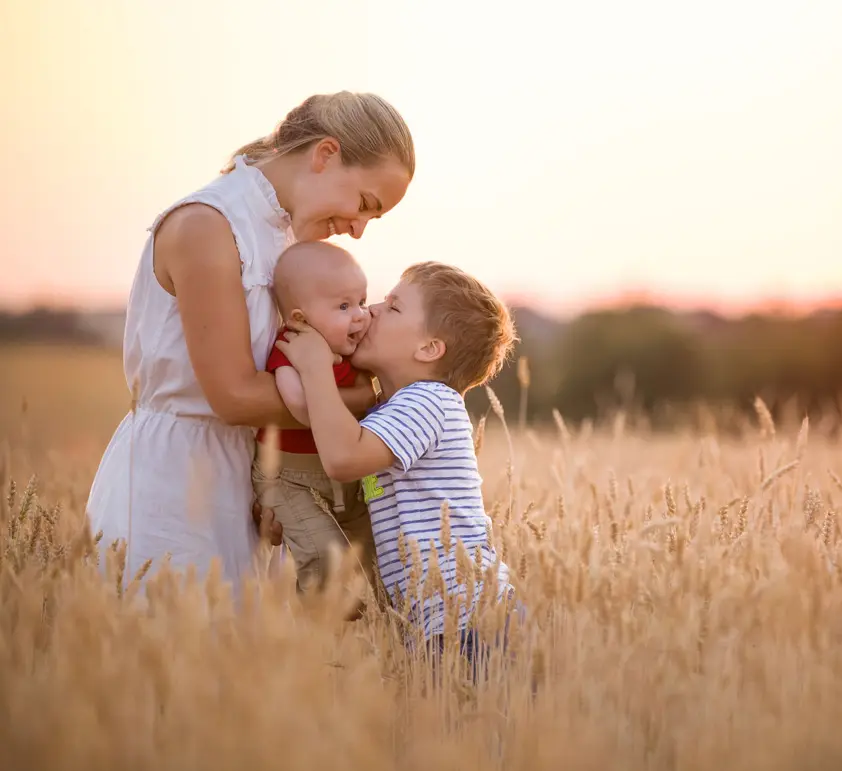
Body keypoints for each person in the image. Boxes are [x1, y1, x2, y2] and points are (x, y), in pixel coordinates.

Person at [85, 92, 415, 592]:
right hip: (173, 485)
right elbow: (235, 396)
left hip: (244, 483)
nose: (358, 229)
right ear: (326, 154)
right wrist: (372, 399)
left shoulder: (287, 239)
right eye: (364, 204)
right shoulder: (207, 225)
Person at [275, 261, 519, 666]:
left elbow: (342, 458)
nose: (370, 310)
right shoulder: (390, 413)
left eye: (393, 307)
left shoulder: (429, 401)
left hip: (467, 620)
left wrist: (315, 365)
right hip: (438, 623)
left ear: (428, 349)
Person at [250, 241, 379, 600]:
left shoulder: (353, 353)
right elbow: (301, 408)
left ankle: (393, 621)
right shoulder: (291, 350)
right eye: (343, 306)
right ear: (300, 320)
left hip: (344, 476)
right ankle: (320, 614)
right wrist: (324, 373)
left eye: (362, 302)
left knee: (379, 552)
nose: (360, 315)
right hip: (288, 478)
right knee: (323, 555)